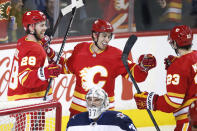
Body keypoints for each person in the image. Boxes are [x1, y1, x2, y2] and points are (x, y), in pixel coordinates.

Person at [42, 19, 157, 118]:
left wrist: (143, 67)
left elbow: (135, 76)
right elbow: (65, 66)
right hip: (78, 113)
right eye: (104, 36)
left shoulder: (116, 55)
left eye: (109, 36)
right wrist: (48, 50)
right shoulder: (80, 49)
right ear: (95, 35)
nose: (107, 40)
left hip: (104, 115)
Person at [134, 25, 197, 131]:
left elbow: (173, 102)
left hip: (189, 122)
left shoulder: (177, 66)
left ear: (175, 43)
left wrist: (150, 101)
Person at [7, 10, 62, 130]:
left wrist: (46, 48)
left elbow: (56, 58)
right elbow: (25, 78)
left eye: (45, 24)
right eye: (41, 25)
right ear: (31, 27)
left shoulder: (24, 41)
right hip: (29, 97)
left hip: (19, 95)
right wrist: (46, 72)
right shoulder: (34, 48)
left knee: (19, 127)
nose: (45, 28)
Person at [66, 87, 137, 131]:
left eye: (97, 100)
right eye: (89, 99)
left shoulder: (120, 120)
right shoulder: (74, 121)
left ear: (105, 102)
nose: (92, 103)